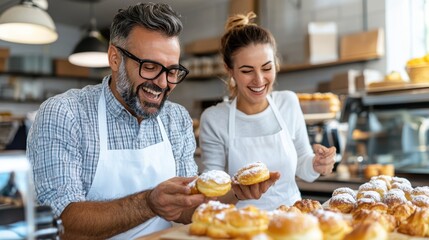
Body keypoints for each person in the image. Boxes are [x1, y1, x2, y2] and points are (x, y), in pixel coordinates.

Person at [27, 3, 208, 239]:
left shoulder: (177, 118)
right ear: (115, 58)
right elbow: (62, 222)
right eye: (150, 66)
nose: (163, 84)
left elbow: (184, 208)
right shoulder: (65, 113)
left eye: (172, 71)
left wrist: (235, 194)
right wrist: (149, 203)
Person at [199, 12, 336, 210]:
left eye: (266, 68)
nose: (259, 80)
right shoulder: (214, 119)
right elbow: (211, 192)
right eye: (247, 71)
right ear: (230, 70)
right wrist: (239, 192)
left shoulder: (287, 102)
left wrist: (317, 164)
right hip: (242, 226)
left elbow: (302, 165)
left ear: (276, 65)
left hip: (291, 220)